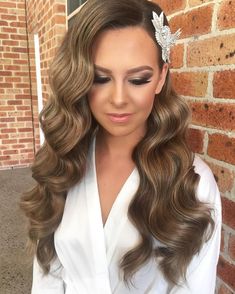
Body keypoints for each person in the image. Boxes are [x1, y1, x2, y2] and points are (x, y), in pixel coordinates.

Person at [20, 0, 222, 293]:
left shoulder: (193, 185)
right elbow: (47, 272)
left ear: (161, 78)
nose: (118, 98)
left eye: (138, 79)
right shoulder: (64, 160)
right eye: (100, 78)